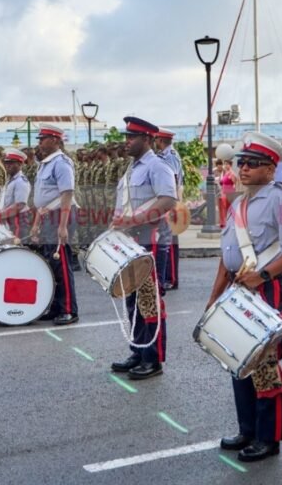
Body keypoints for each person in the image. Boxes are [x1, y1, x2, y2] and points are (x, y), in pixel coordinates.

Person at [209, 132, 282, 462]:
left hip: (269, 287)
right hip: (239, 289)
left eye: (253, 164)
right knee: (239, 360)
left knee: (264, 362)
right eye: (242, 163)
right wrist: (214, 299)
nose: (244, 168)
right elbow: (228, 257)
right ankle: (248, 429)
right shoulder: (239, 203)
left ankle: (268, 438)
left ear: (271, 168)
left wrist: (263, 275)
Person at [109, 117, 177, 380]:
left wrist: (132, 220)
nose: (127, 141)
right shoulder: (132, 169)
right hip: (130, 241)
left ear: (147, 139)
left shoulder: (157, 166)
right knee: (132, 299)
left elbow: (168, 200)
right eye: (127, 136)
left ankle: (153, 359)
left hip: (150, 239)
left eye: (132, 137)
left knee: (149, 301)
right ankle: (138, 350)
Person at [30, 124, 79, 326]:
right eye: (40, 139)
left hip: (60, 214)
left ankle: (68, 308)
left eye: (43, 139)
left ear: (56, 141)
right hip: (48, 215)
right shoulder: (46, 163)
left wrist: (63, 226)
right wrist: (36, 223)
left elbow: (67, 193)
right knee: (51, 263)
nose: (40, 142)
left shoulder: (61, 163)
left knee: (61, 263)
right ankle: (56, 306)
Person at [154, 127, 184, 290]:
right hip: (168, 201)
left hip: (170, 202)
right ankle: (168, 276)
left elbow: (172, 179)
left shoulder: (170, 157)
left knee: (170, 241)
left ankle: (171, 278)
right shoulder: (165, 155)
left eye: (156, 140)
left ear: (160, 140)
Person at [0, 147, 31, 238]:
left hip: (19, 220)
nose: (7, 165)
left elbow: (19, 205)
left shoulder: (21, 181)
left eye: (11, 163)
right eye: (6, 163)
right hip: (9, 219)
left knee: (17, 247)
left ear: (20, 164)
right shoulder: (10, 180)